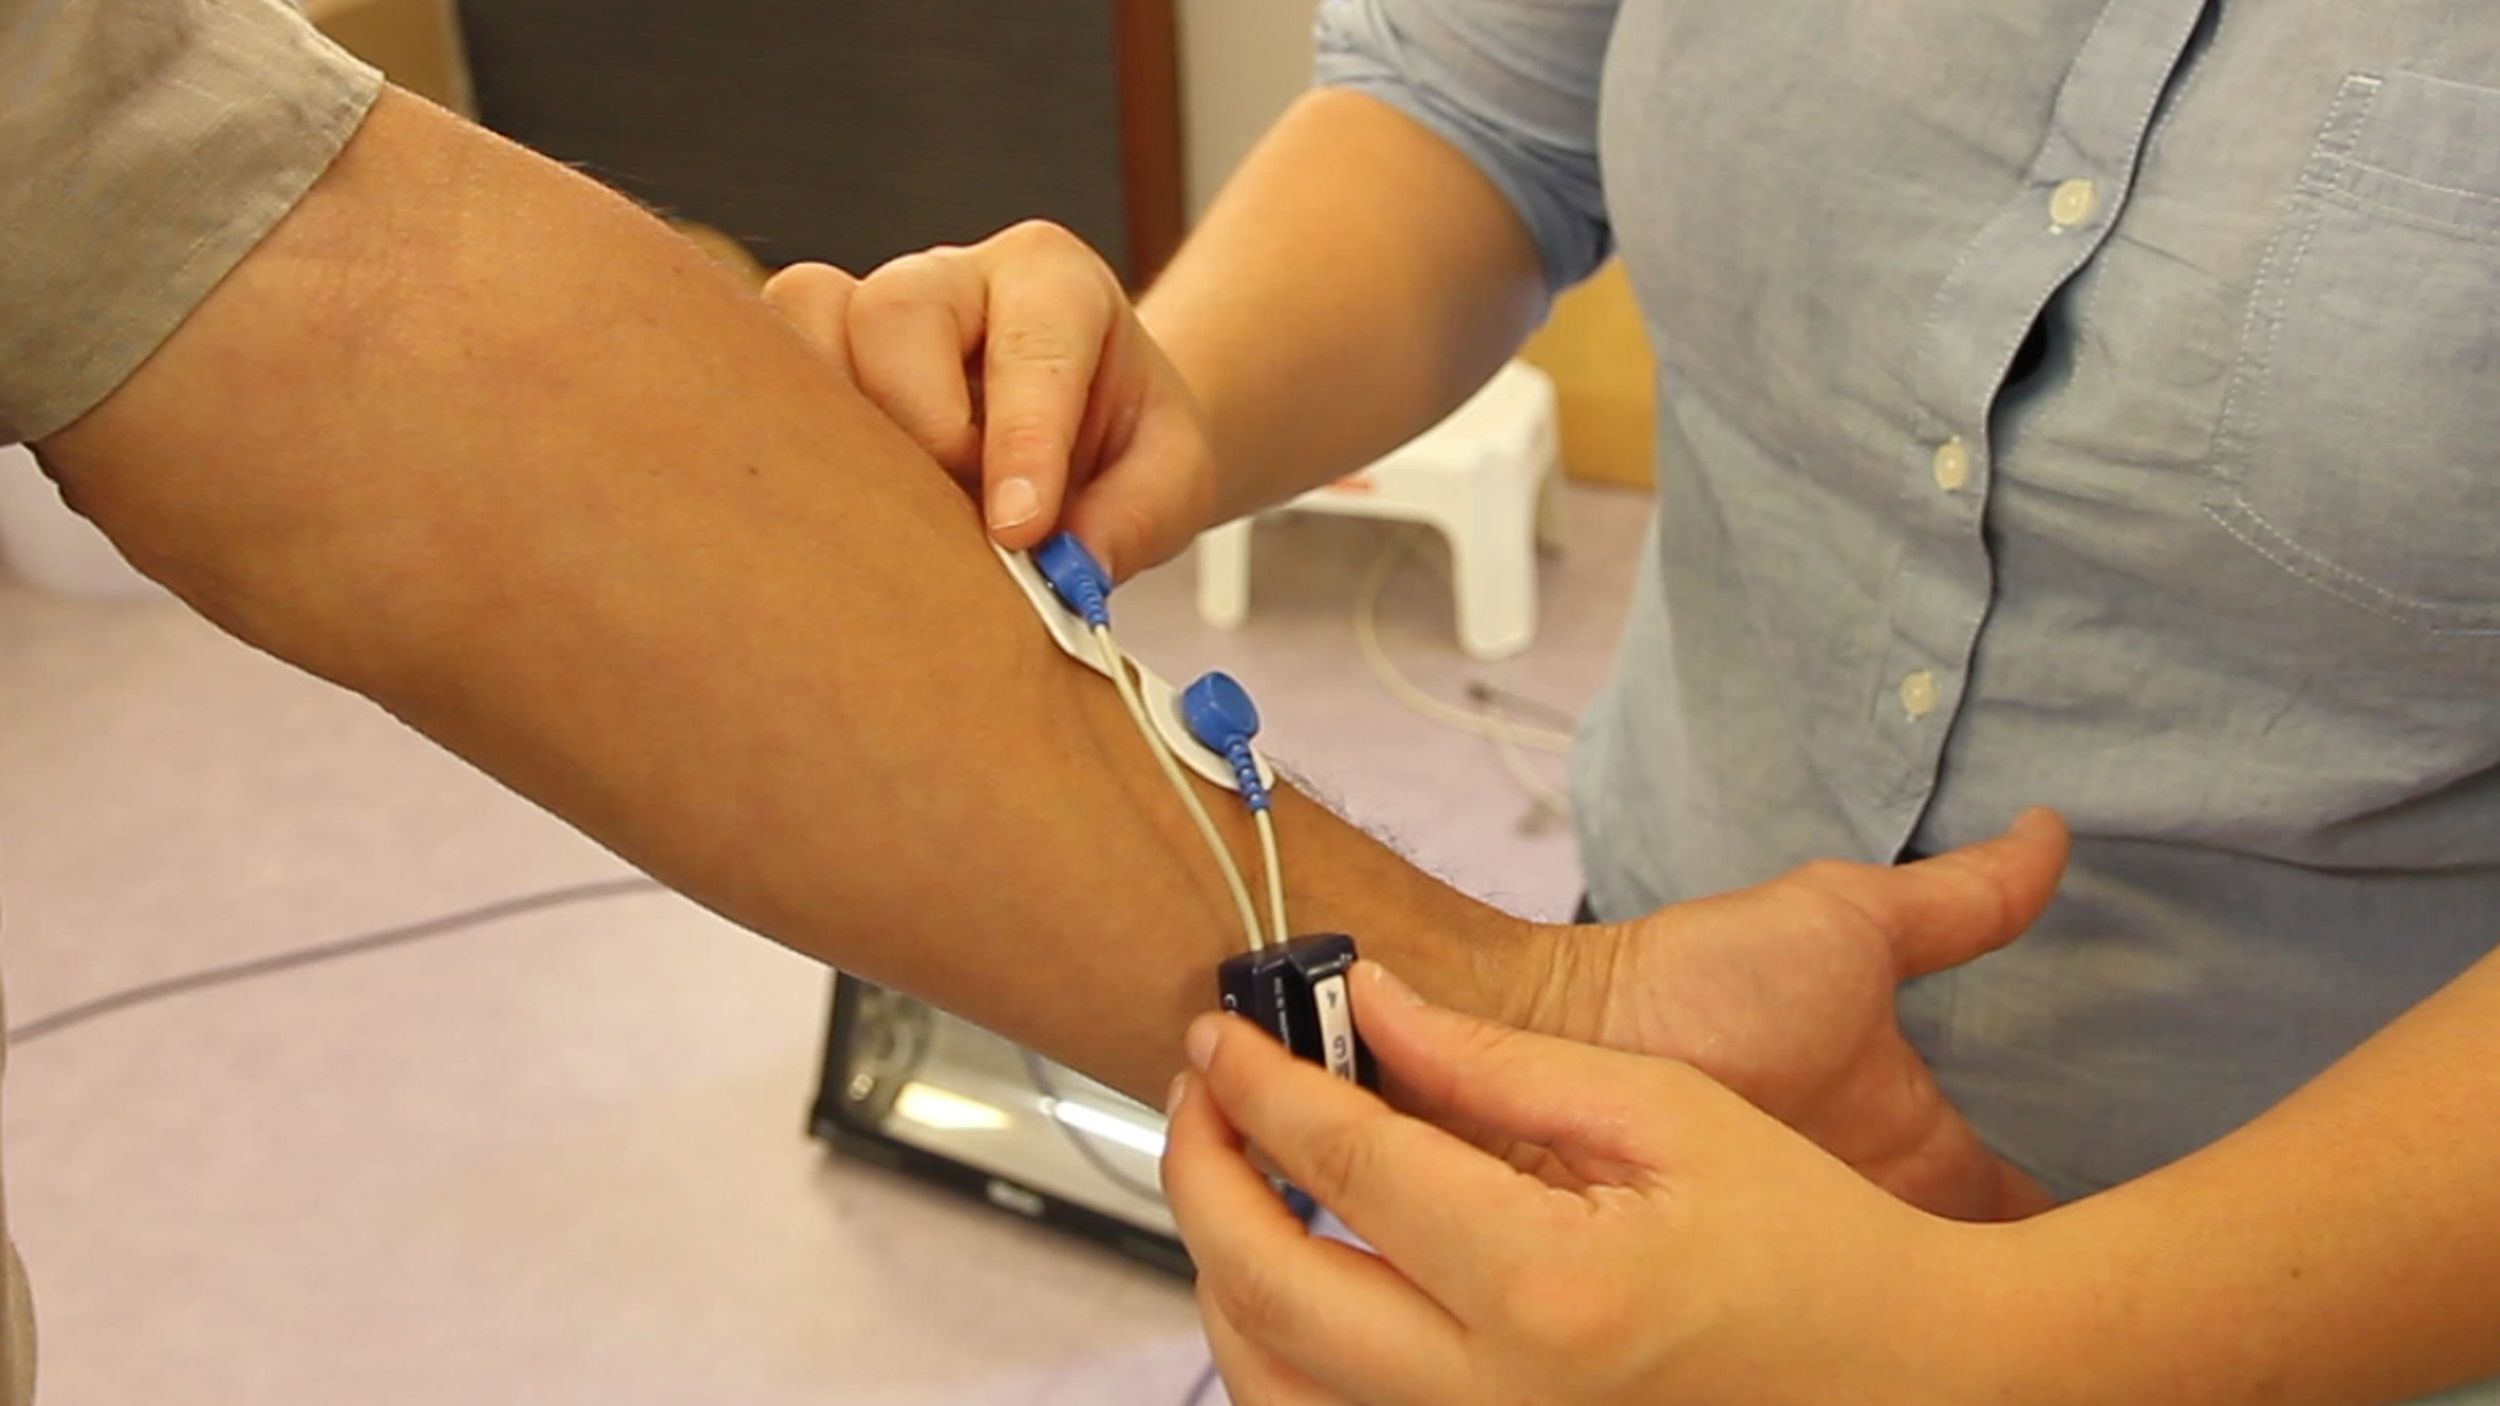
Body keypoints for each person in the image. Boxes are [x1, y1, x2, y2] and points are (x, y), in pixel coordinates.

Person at [0, 2, 2082, 1400]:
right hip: (1694, 1044)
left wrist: (2034, 1347)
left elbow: (284, 276)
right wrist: (1538, 1017)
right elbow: (1482, 100)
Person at [765, 0, 2500, 1401]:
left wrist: (2003, 1343)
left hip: (2349, 1279)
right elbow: (1477, 111)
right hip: (1651, 1012)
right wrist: (1173, 389)